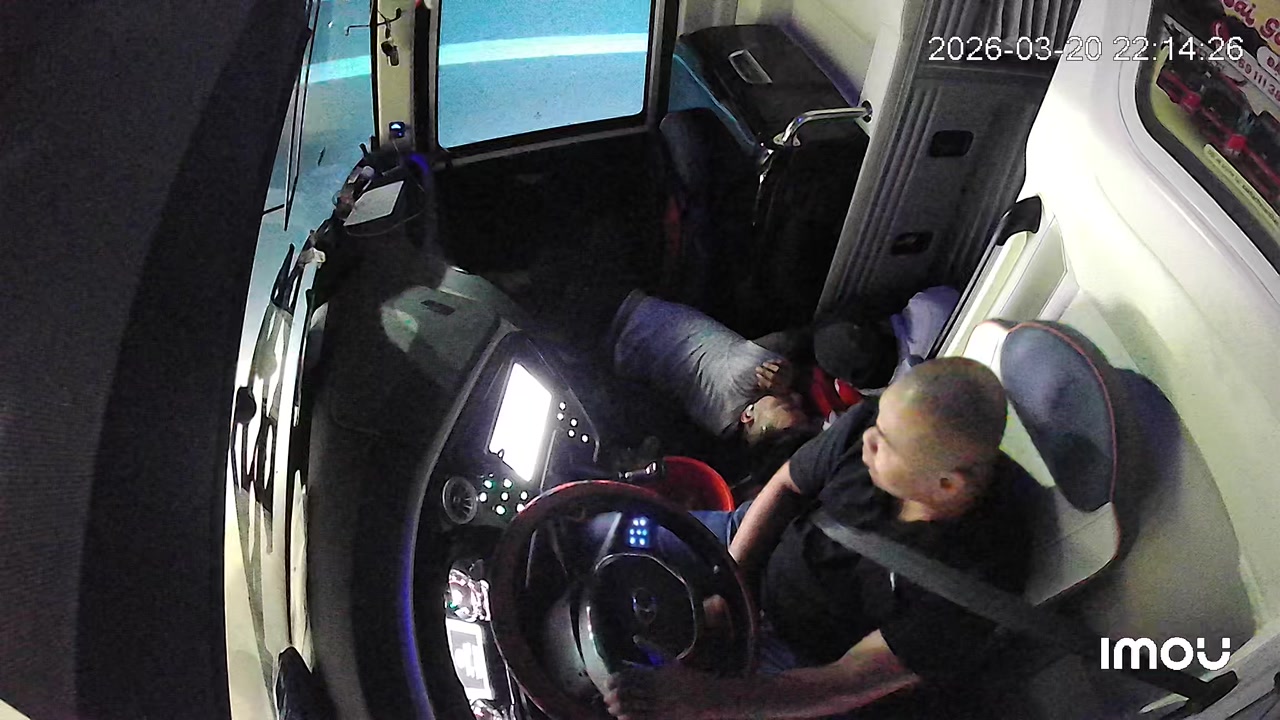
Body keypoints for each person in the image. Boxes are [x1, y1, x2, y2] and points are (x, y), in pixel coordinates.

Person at [602, 357, 1032, 720]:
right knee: (606, 531)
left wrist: (704, 699)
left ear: (947, 486)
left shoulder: (972, 585)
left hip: (798, 654)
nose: (866, 438)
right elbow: (786, 485)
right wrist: (728, 587)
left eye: (884, 444)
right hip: (752, 546)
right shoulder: (883, 423)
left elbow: (848, 679)